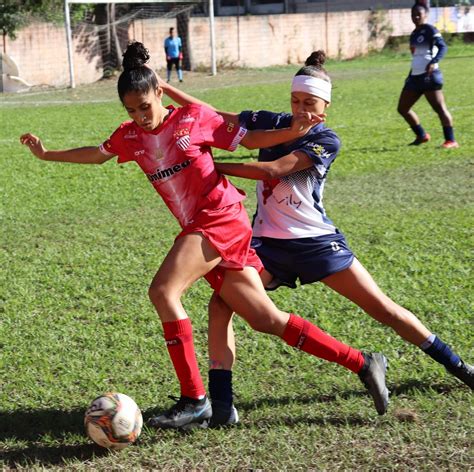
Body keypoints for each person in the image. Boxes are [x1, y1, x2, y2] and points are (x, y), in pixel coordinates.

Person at [20, 42, 390, 430]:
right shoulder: (129, 136)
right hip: (202, 226)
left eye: (145, 106)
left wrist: (289, 129)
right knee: (266, 319)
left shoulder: (193, 118)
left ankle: (195, 400)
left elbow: (247, 138)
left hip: (219, 219)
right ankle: (362, 361)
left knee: (163, 291)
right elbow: (96, 154)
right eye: (131, 110)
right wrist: (47, 155)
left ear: (159, 93)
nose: (141, 117)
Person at [161, 49, 473, 427]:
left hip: (315, 243)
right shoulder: (271, 122)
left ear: (325, 105)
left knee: (383, 309)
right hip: (266, 246)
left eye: (309, 102)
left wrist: (200, 166)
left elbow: (273, 170)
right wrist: (163, 86)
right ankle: (222, 408)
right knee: (221, 303)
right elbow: (213, 115)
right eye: (295, 100)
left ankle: (459, 367)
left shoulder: (327, 139)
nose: (300, 109)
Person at [397, 2, 459, 148]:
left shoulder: (430, 30)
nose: (416, 17)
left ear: (426, 15)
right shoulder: (414, 34)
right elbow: (417, 57)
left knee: (440, 109)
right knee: (403, 108)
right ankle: (421, 135)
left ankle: (451, 140)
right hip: (415, 77)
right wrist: (410, 74)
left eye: (419, 14)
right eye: (414, 15)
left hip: (430, 76)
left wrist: (434, 61)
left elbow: (443, 47)